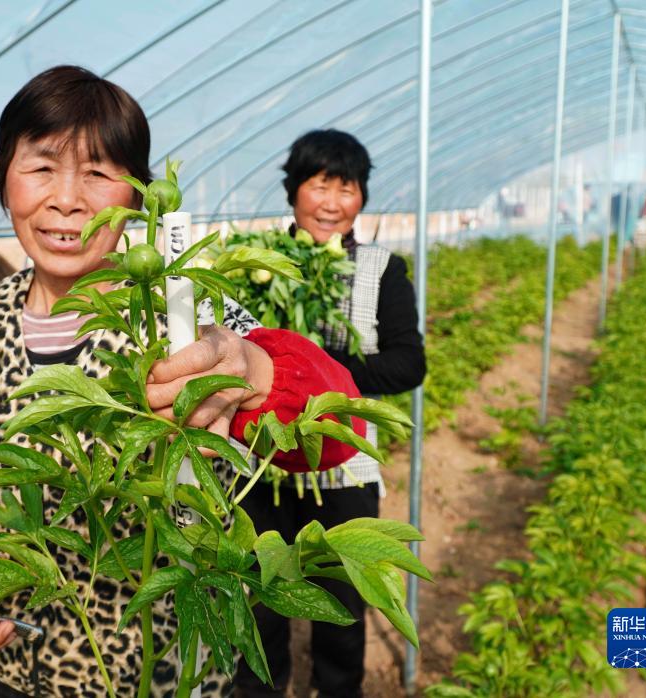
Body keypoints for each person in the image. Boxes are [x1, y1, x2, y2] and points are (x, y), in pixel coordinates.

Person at [0, 67, 367, 698]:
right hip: (21, 671)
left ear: (138, 196)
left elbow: (343, 425)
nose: (66, 198)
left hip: (169, 673)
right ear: (3, 178)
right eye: (41, 167)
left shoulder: (182, 313)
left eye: (98, 172)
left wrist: (255, 372)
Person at [235, 129, 426, 698]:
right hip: (260, 464)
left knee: (341, 601)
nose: (333, 203)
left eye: (347, 189)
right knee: (260, 597)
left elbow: (406, 364)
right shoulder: (257, 265)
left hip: (342, 468)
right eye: (321, 186)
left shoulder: (382, 270)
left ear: (362, 197)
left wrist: (325, 373)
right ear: (295, 191)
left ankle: (338, 690)